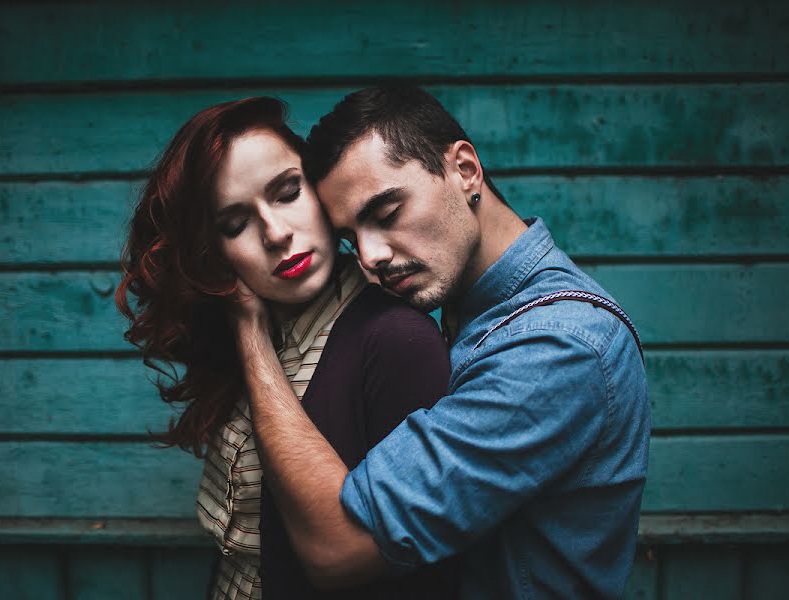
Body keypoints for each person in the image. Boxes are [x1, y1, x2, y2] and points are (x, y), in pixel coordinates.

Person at [228, 87, 650, 599]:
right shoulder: (464, 308)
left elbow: (337, 549)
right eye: (350, 237)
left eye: (385, 213)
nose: (371, 256)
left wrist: (250, 334)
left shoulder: (558, 349)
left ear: (465, 170)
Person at [115, 97, 458, 600]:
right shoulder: (260, 329)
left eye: (287, 192)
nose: (276, 234)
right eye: (235, 225)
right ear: (216, 253)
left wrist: (250, 336)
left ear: (321, 189)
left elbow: (405, 571)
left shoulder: (395, 342)